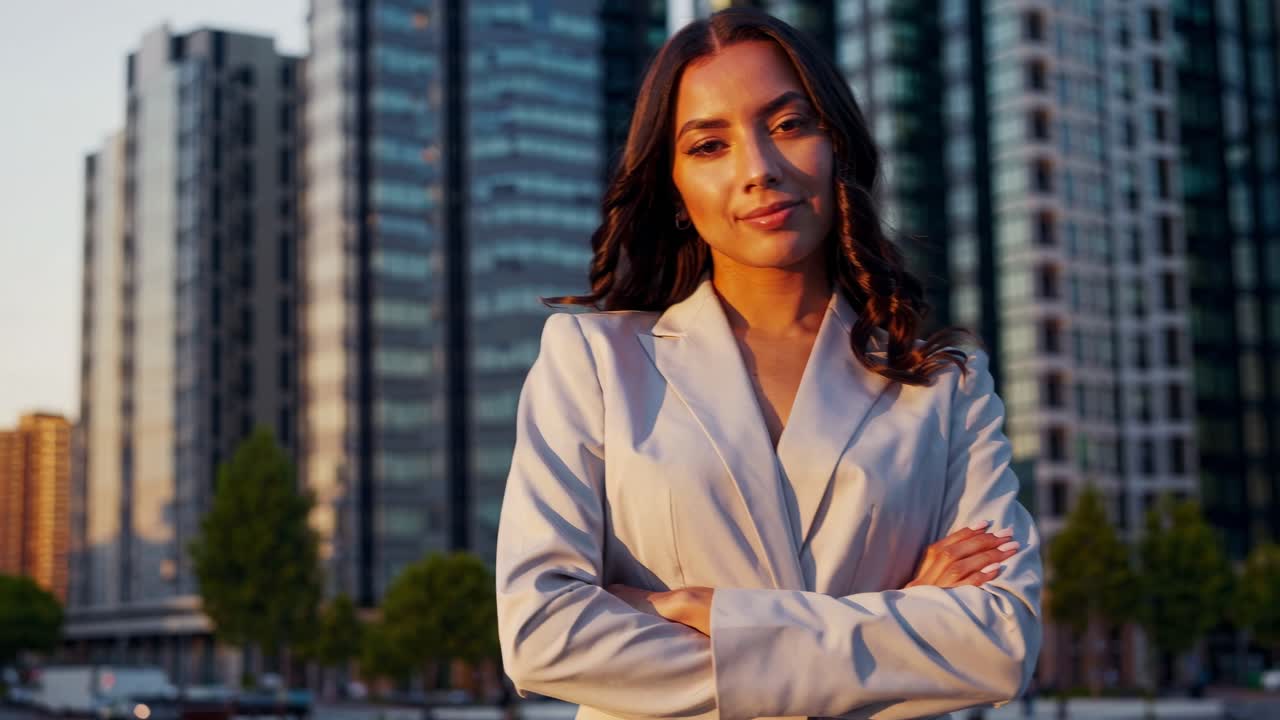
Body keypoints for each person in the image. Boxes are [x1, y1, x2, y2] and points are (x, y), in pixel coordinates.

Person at [494, 8, 1042, 720]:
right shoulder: (595, 362)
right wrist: (901, 625)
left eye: (788, 125)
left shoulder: (945, 383)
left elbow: (998, 644)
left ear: (837, 143)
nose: (759, 169)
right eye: (709, 145)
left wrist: (709, 616)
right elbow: (541, 635)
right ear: (674, 187)